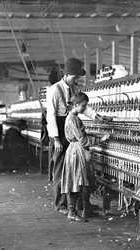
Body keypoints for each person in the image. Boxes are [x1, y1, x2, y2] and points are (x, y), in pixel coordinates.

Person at [46, 58, 112, 216]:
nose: (76, 80)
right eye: (74, 77)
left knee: (74, 168)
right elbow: (51, 115)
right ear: (67, 74)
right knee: (61, 168)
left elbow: (82, 106)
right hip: (60, 130)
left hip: (70, 128)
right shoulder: (54, 90)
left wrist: (96, 116)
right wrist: (56, 139)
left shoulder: (74, 88)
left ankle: (81, 205)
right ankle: (61, 204)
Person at [61, 93, 110, 221]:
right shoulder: (72, 119)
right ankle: (72, 212)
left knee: (82, 182)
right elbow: (83, 140)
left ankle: (85, 211)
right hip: (77, 152)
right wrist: (101, 139)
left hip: (77, 150)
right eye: (83, 105)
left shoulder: (74, 118)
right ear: (76, 105)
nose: (84, 108)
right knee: (77, 182)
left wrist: (94, 135)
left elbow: (82, 136)